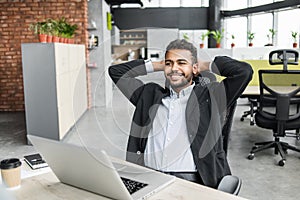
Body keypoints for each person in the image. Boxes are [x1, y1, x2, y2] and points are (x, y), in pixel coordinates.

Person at [109, 39, 253, 188]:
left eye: (181, 62)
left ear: (195, 68)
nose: (174, 68)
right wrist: (159, 64)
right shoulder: (148, 95)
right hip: (148, 177)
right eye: (169, 63)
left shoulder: (211, 96)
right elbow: (116, 72)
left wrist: (203, 65)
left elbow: (244, 72)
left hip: (190, 181)